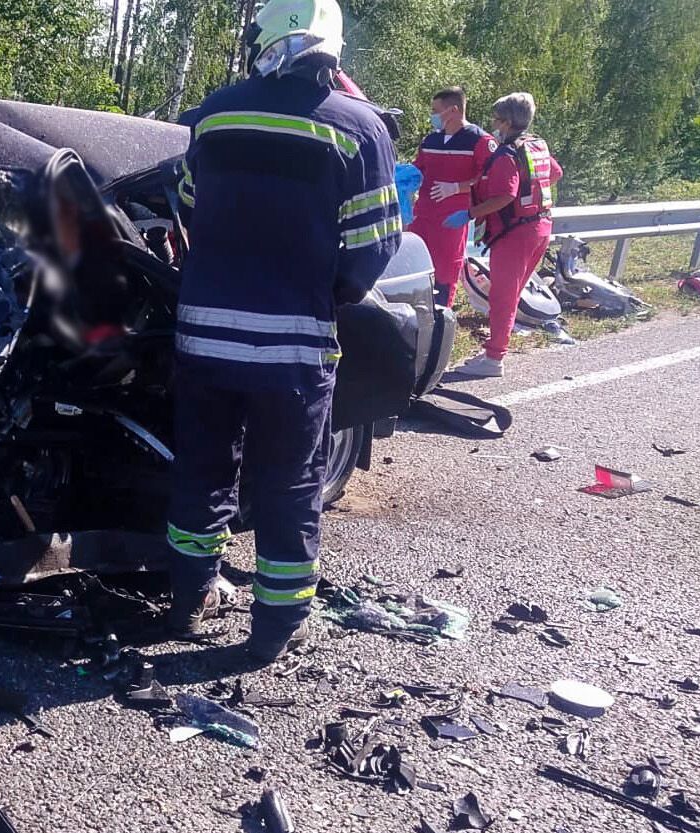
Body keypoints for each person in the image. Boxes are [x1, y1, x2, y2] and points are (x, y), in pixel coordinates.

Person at [167, 0, 402, 662]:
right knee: (288, 482)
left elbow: (185, 205)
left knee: (202, 472)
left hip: (203, 336)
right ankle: (273, 626)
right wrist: (326, 295)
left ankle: (188, 594)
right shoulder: (359, 129)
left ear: (264, 41)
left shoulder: (213, 114)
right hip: (291, 346)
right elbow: (373, 246)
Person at [445, 92, 562, 377]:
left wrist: (471, 214)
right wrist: (529, 191)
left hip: (515, 234)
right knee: (510, 294)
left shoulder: (506, 155)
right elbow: (555, 173)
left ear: (507, 122)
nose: (493, 124)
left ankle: (493, 358)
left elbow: (505, 196)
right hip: (540, 226)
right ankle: (496, 347)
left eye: (496, 119)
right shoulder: (535, 146)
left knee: (502, 296)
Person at [408, 87, 497, 307]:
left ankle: (441, 317)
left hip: (452, 218)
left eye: (435, 111)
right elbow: (417, 169)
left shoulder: (479, 141)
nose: (432, 116)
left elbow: (490, 178)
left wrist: (458, 187)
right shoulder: (431, 141)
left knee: (446, 270)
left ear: (453, 110)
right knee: (416, 265)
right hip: (422, 215)